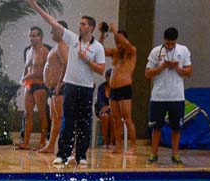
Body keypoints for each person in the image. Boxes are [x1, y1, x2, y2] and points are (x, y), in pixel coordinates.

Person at [28, 0, 106, 168]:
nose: (80, 26)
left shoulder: (98, 47)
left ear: (91, 27)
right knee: (67, 120)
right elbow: (53, 22)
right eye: (79, 24)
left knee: (84, 123)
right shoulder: (72, 39)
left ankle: (81, 155)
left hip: (86, 88)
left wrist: (87, 61)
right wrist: (36, 7)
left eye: (84, 24)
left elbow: (101, 69)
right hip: (70, 85)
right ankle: (62, 154)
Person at [145, 27, 191, 165]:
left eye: (172, 44)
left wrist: (177, 68)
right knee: (156, 127)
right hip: (159, 96)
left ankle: (175, 154)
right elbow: (147, 74)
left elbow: (189, 72)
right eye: (168, 43)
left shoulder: (183, 50)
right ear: (164, 40)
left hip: (176, 96)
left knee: (176, 127)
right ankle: (154, 153)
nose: (170, 46)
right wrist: (162, 67)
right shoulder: (156, 51)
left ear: (176, 41)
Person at [103, 24, 136, 155]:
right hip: (113, 91)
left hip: (125, 89)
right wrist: (102, 35)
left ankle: (133, 146)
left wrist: (116, 32)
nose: (118, 45)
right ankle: (118, 145)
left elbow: (126, 44)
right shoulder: (114, 53)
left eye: (120, 42)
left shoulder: (131, 52)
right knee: (115, 119)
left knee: (127, 118)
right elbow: (100, 50)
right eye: (117, 43)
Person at [36, 21, 67, 155]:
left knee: (60, 118)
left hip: (59, 88)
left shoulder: (62, 46)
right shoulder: (58, 46)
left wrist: (59, 83)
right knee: (55, 118)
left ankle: (63, 146)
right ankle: (51, 145)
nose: (51, 33)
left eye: (53, 31)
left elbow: (66, 64)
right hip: (54, 88)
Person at [19, 26, 50, 150]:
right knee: (28, 114)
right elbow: (26, 67)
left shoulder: (45, 52)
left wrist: (30, 75)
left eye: (34, 35)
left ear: (40, 37)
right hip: (29, 85)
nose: (32, 38)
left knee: (42, 114)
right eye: (30, 36)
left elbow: (45, 71)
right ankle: (25, 142)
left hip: (40, 85)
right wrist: (23, 78)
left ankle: (43, 141)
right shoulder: (28, 51)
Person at [95, 73, 113, 148]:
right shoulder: (101, 87)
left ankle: (112, 142)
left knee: (112, 116)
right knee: (105, 116)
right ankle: (105, 142)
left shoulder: (116, 87)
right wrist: (104, 107)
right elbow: (99, 101)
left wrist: (110, 107)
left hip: (113, 109)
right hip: (102, 109)